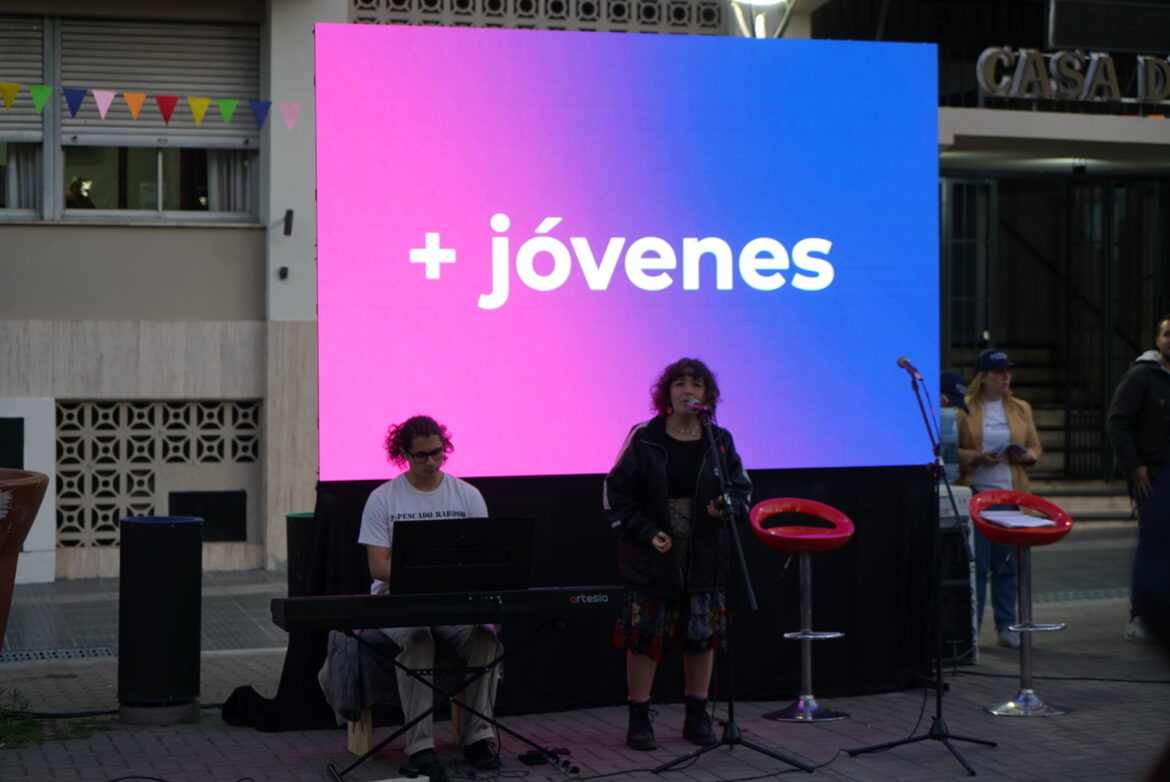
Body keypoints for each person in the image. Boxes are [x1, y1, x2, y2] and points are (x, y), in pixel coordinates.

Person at [603, 358, 751, 751]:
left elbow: (741, 491)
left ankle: (697, 714)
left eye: (697, 384)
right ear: (666, 394)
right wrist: (647, 533)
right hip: (654, 553)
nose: (688, 391)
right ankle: (639, 718)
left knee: (701, 636)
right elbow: (616, 495)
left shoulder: (720, 440)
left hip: (704, 554)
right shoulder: (645, 436)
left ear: (708, 395)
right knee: (645, 638)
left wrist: (727, 507)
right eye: (680, 384)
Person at [358, 415, 501, 781]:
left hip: (452, 602)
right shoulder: (383, 499)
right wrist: (425, 575)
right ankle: (420, 748)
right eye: (421, 456)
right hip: (400, 602)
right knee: (419, 641)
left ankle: (478, 739)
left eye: (437, 453)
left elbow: (481, 559)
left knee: (486, 636)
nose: (431, 462)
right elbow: (378, 568)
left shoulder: (467, 495)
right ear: (403, 454)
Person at [956, 348, 1042, 650]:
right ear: (983, 377)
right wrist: (977, 457)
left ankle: (1006, 625)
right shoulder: (964, 408)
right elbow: (952, 452)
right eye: (999, 372)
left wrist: (1025, 455)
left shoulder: (1020, 408)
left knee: (1007, 564)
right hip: (978, 494)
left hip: (1010, 494)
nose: (1006, 378)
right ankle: (972, 627)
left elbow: (1034, 446)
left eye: (1008, 372)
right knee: (977, 565)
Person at [1106, 314, 1170, 644]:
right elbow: (1118, 421)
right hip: (1154, 475)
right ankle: (1140, 615)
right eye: (1167, 334)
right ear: (1158, 339)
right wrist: (1134, 466)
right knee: (1152, 545)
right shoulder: (1141, 376)